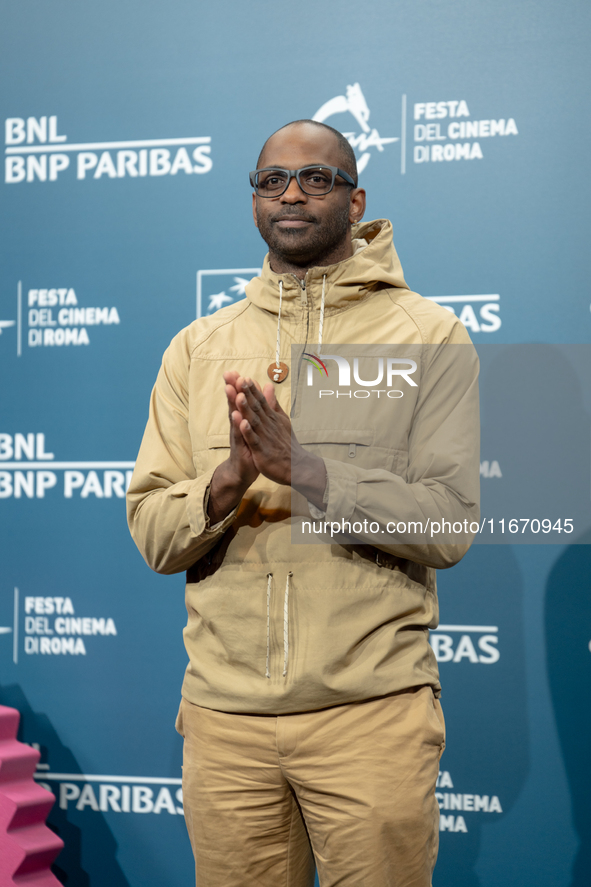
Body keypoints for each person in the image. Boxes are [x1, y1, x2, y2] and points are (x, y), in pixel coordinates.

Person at [127, 119, 480, 887]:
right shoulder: (196, 347)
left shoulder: (429, 335)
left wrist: (306, 471)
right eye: (270, 180)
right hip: (225, 725)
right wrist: (230, 480)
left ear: (356, 202)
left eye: (315, 179)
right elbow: (154, 533)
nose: (290, 193)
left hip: (370, 716)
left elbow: (449, 521)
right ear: (252, 199)